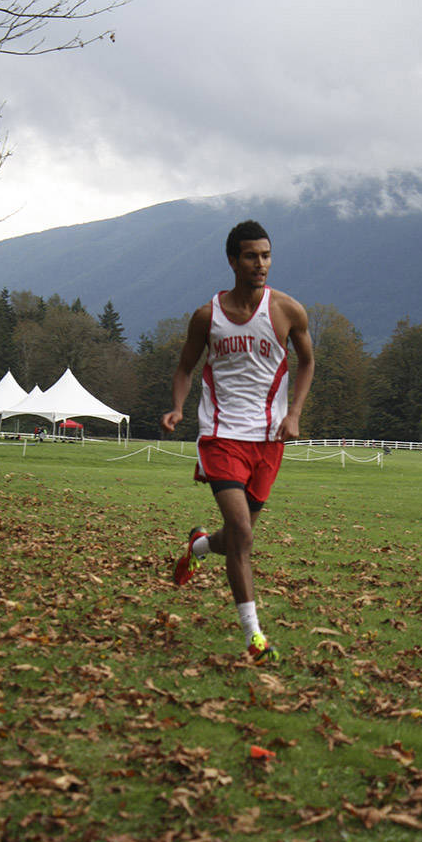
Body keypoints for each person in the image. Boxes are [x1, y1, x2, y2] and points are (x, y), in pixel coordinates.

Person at [160, 220, 315, 665]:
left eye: (266, 255)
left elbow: (306, 363)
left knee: (234, 538)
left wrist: (294, 413)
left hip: (268, 440)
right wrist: (177, 407)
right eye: (251, 256)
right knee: (244, 534)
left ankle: (199, 546)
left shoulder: (288, 310)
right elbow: (185, 368)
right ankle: (254, 637)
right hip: (221, 435)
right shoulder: (207, 316)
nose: (260, 264)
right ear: (233, 261)